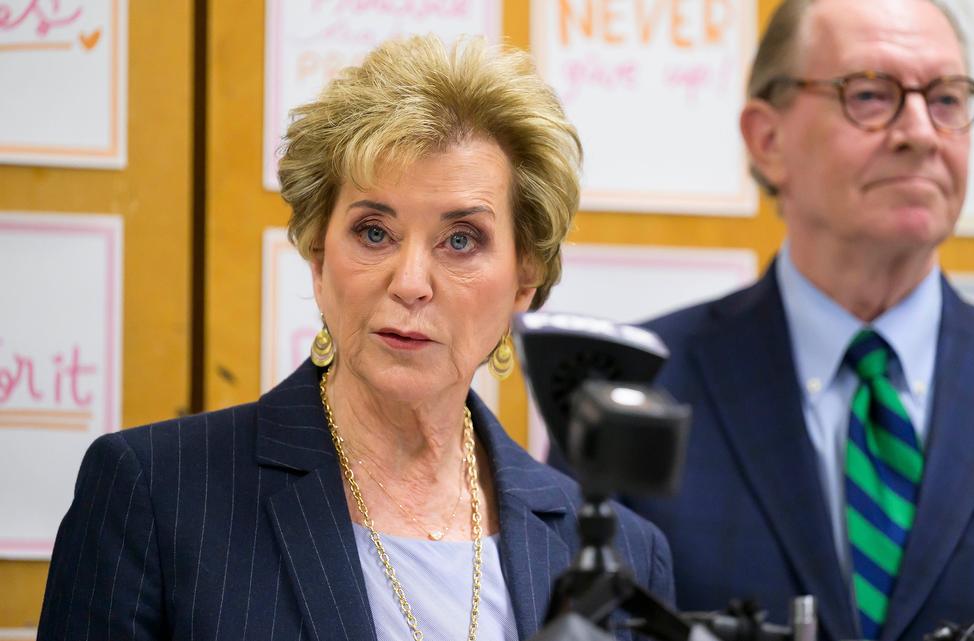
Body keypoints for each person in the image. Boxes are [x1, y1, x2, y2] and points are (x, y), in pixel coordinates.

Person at [38, 35, 673, 641]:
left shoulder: (627, 554)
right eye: (374, 232)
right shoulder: (154, 494)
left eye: (461, 240)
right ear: (318, 256)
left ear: (523, 280)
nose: (412, 283)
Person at [622, 1, 974, 641]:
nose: (920, 132)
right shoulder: (638, 395)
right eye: (871, 95)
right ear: (768, 139)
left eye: (947, 99)